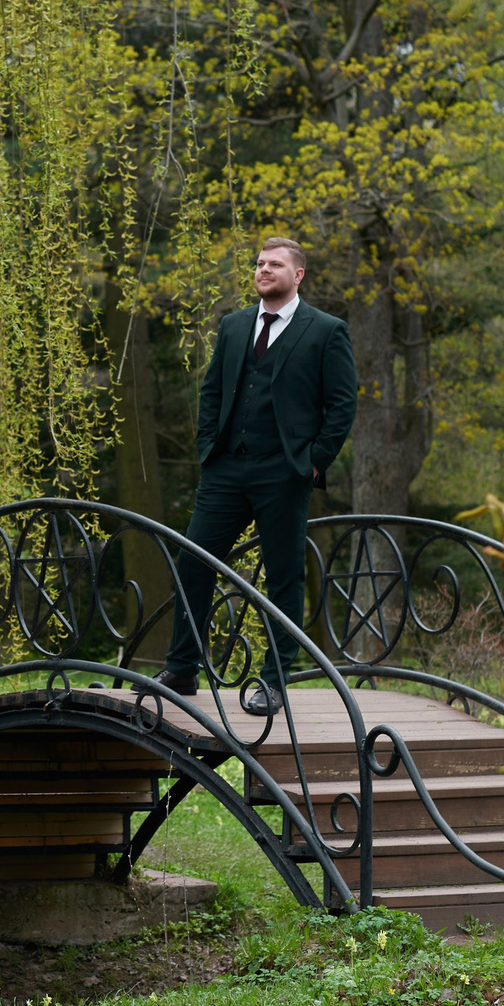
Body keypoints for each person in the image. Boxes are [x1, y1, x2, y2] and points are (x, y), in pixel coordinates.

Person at [156, 237, 356, 715]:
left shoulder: (326, 331)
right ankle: (181, 669)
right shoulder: (234, 324)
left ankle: (273, 680)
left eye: (275, 264)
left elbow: (342, 405)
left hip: (284, 471)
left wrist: (312, 461)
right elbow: (212, 392)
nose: (264, 270)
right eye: (260, 263)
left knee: (284, 575)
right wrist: (209, 447)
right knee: (194, 562)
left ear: (298, 275)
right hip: (226, 466)